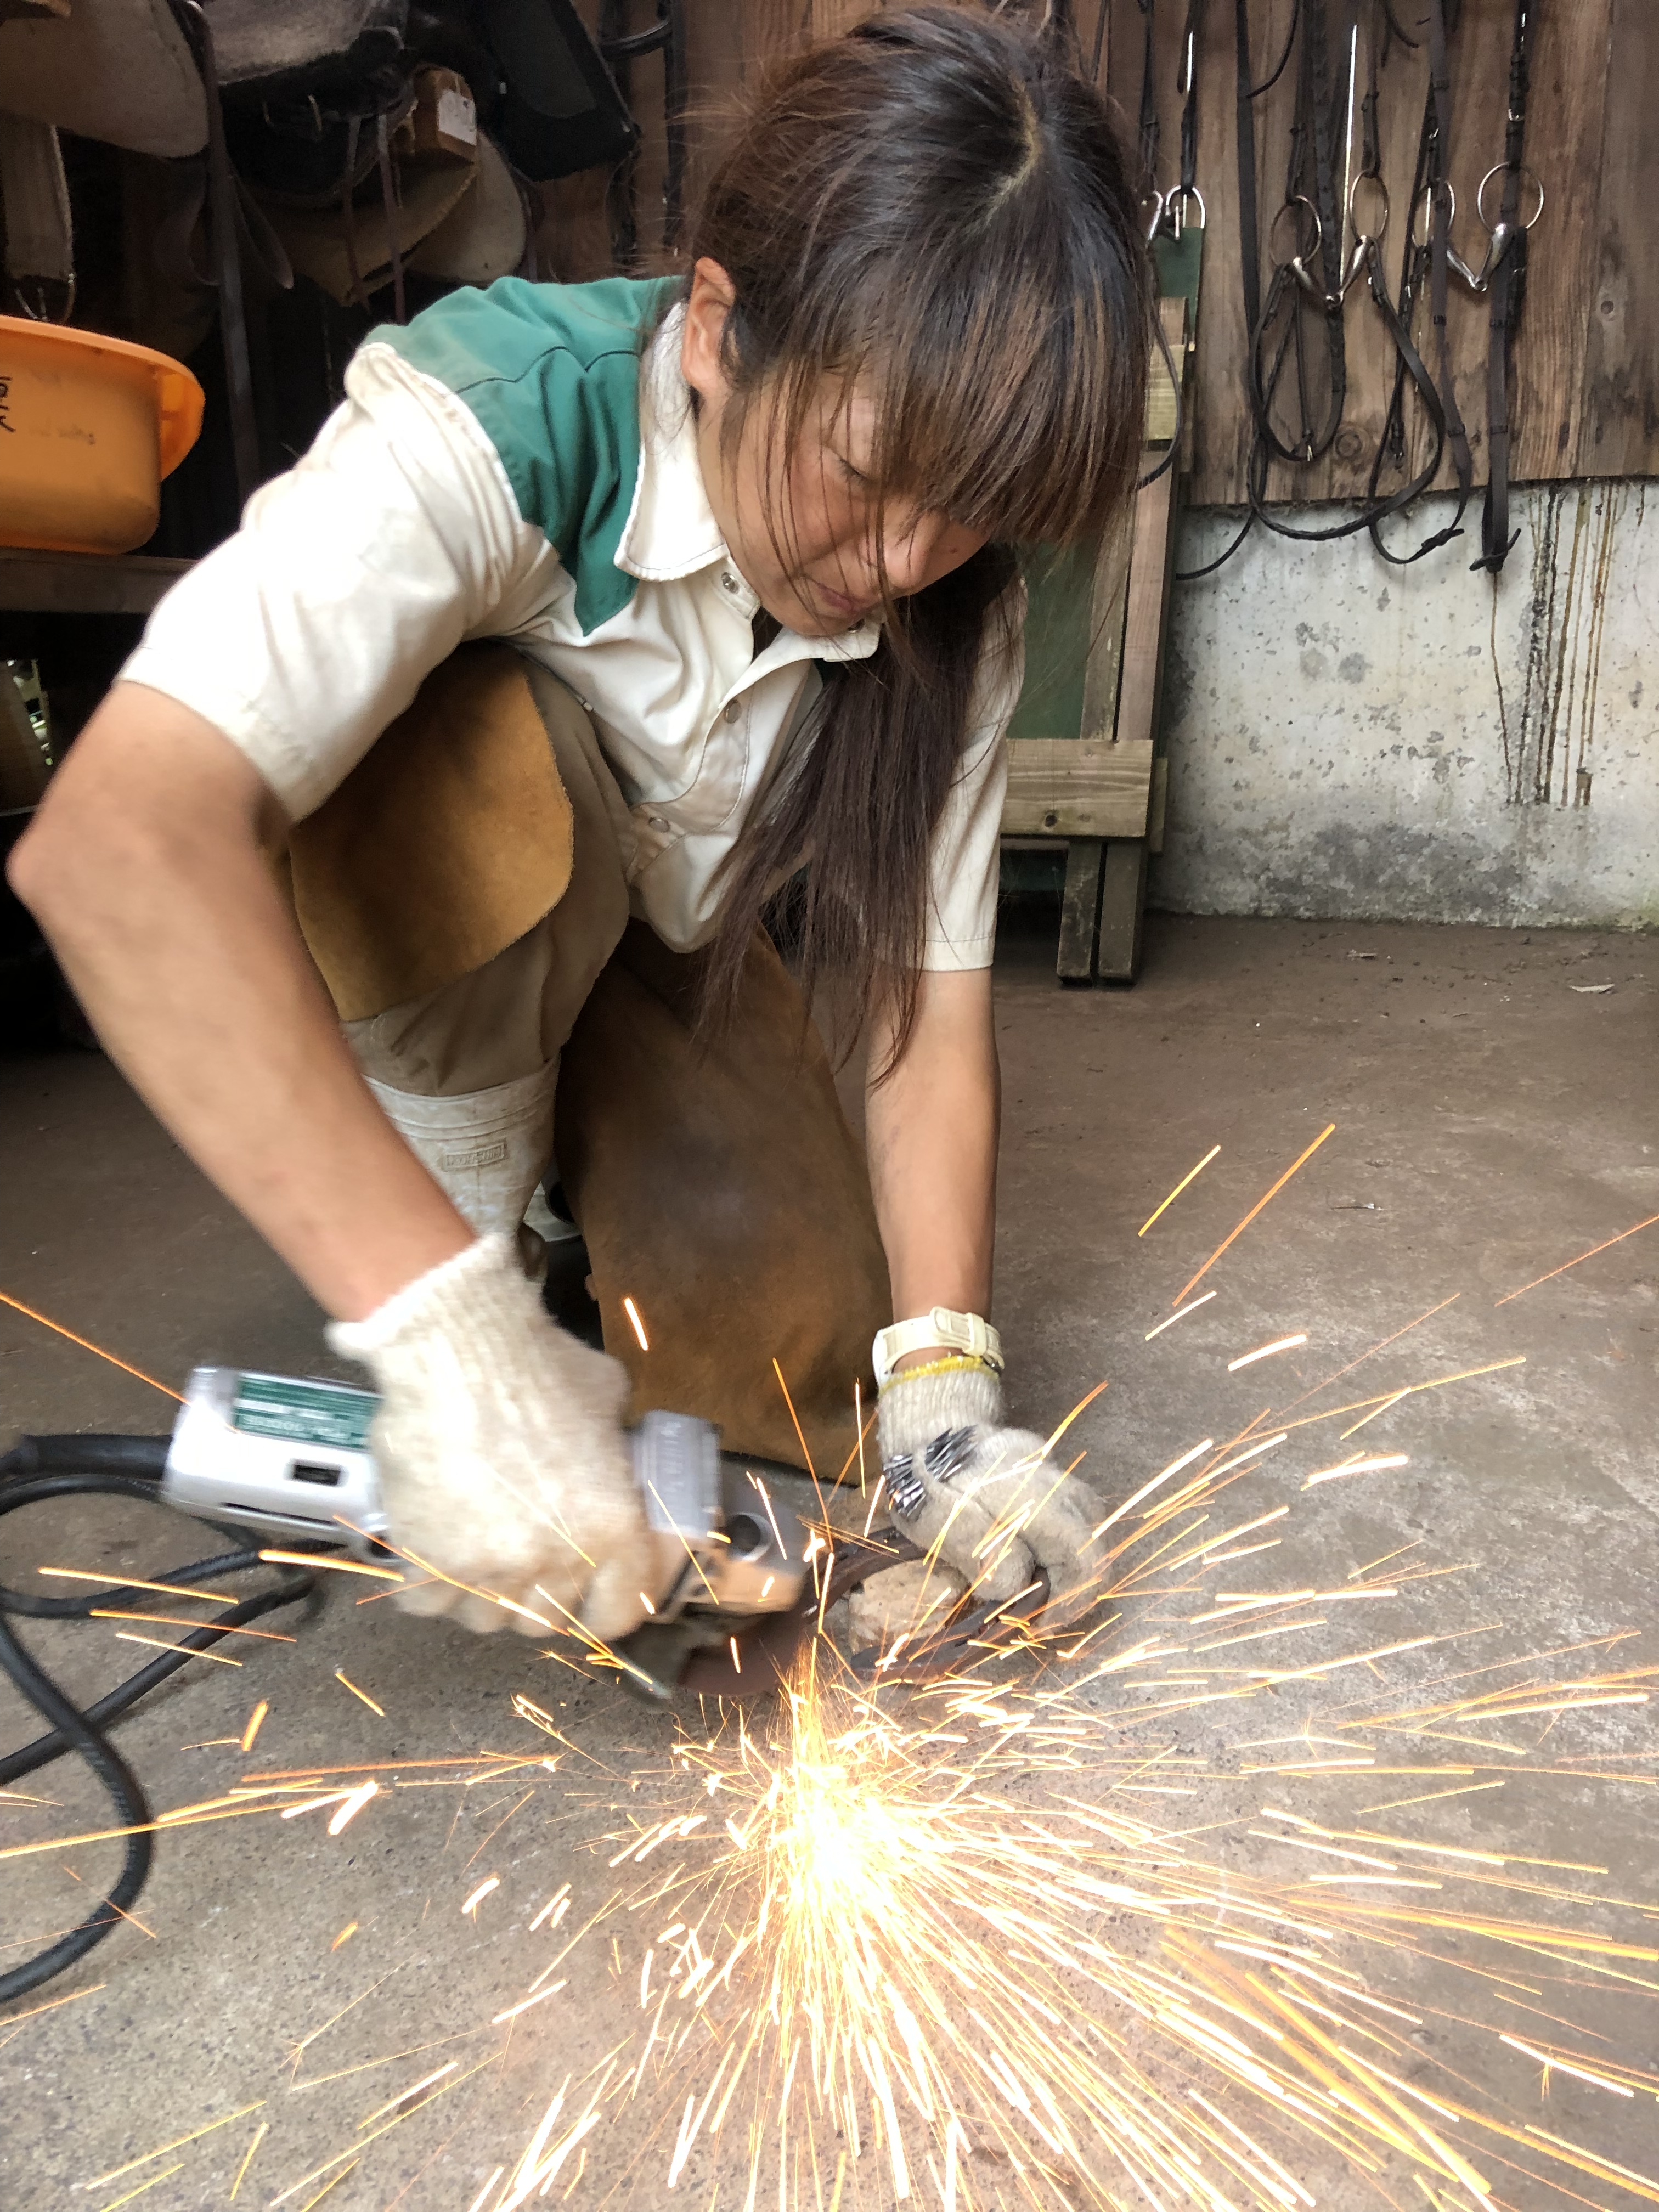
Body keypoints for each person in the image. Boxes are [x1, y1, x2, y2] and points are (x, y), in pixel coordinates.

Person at [9, 7, 1149, 1647]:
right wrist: (447, 1336)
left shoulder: (954, 606)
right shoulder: (494, 417)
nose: (907, 562)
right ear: (717, 332)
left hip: (664, 952)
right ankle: (461, 1226)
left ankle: (564, 1214)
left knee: (803, 1362)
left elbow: (928, 1013)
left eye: (965, 512)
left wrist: (948, 1396)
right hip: (447, 909)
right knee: (495, 760)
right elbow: (116, 839)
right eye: (865, 471)